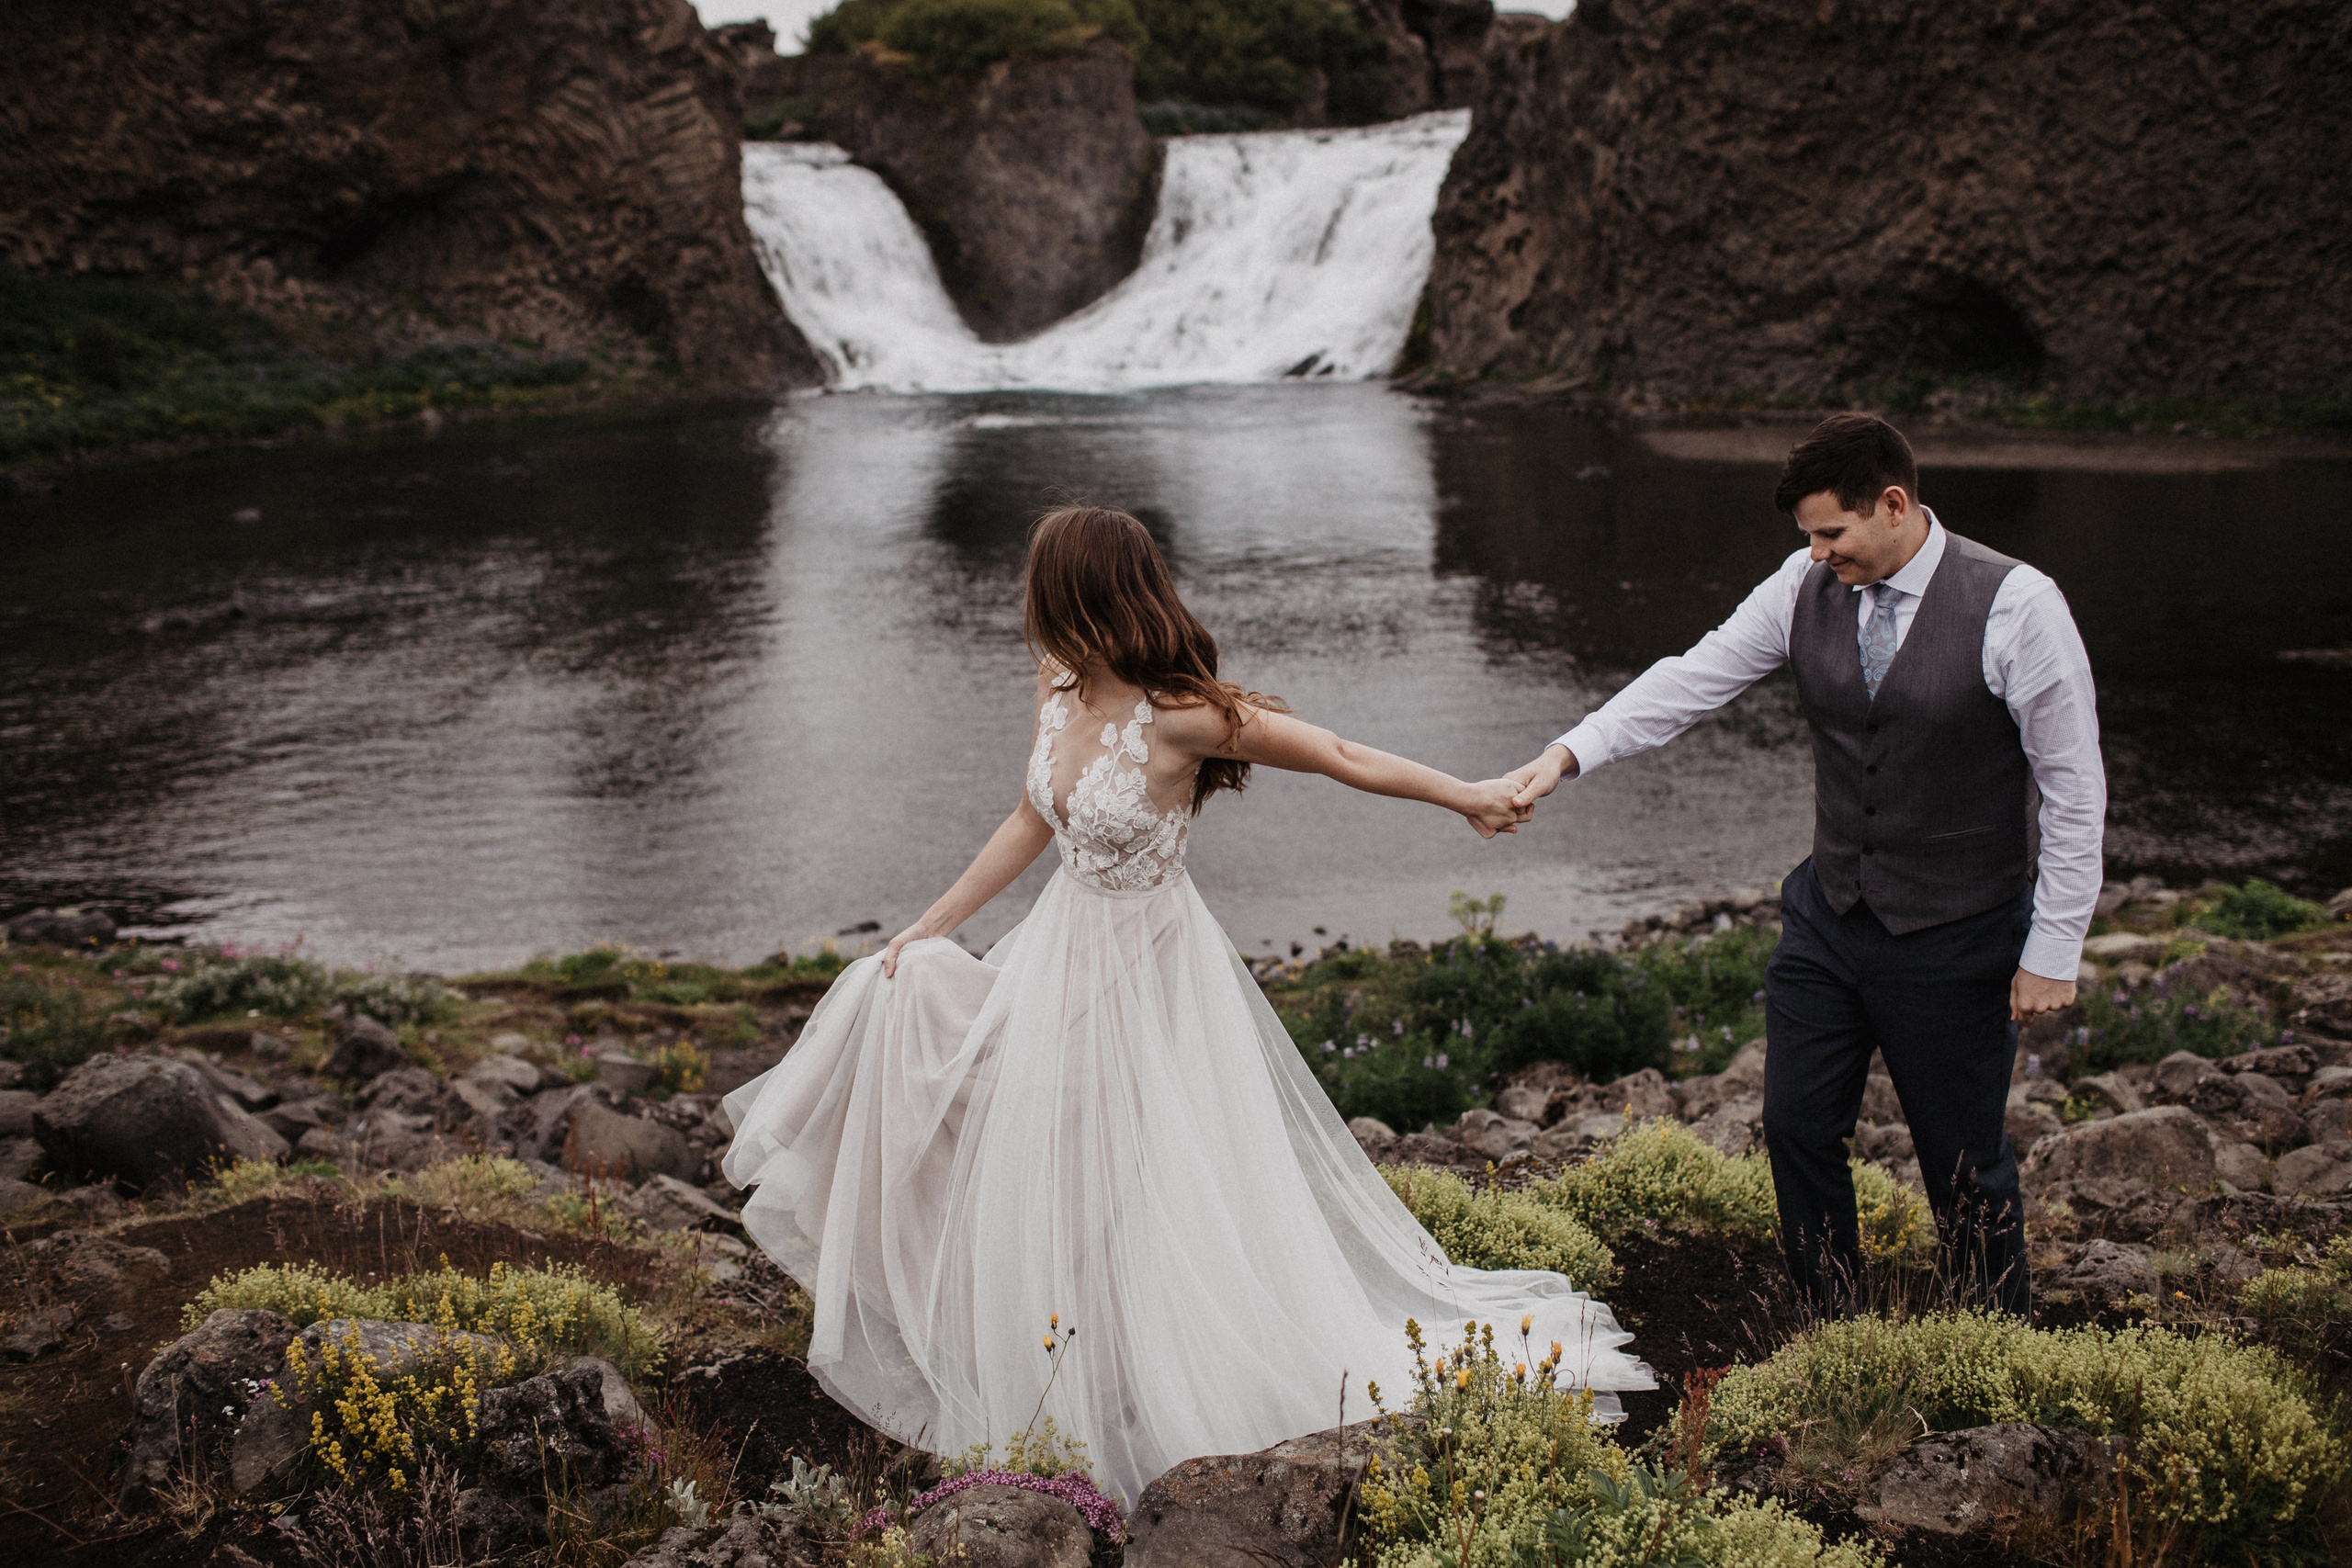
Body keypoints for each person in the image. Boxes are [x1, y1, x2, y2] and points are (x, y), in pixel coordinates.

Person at [722, 503, 1650, 1506]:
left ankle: (1137, 1372)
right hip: (1061, 949)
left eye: (1039, 585)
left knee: (1122, 1163)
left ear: (1080, 593)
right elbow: (1030, 820)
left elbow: (1335, 751)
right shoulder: (1059, 689)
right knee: (910, 1007)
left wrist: (1465, 794)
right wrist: (930, 924)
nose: (1027, 605)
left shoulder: (1182, 714)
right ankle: (1031, 1341)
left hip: (1150, 966)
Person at [1508, 413, 2105, 1317]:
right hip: (1828, 919)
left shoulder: (2020, 606)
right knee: (1792, 1127)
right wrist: (1566, 753)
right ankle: (1830, 1318)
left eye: (1833, 532)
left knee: (1961, 1163)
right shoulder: (1802, 584)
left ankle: (1996, 1338)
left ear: (1895, 505)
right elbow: (1691, 677)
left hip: (1956, 934)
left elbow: (2074, 787)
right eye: (1809, 537)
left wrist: (2053, 946)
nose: (1818, 552)